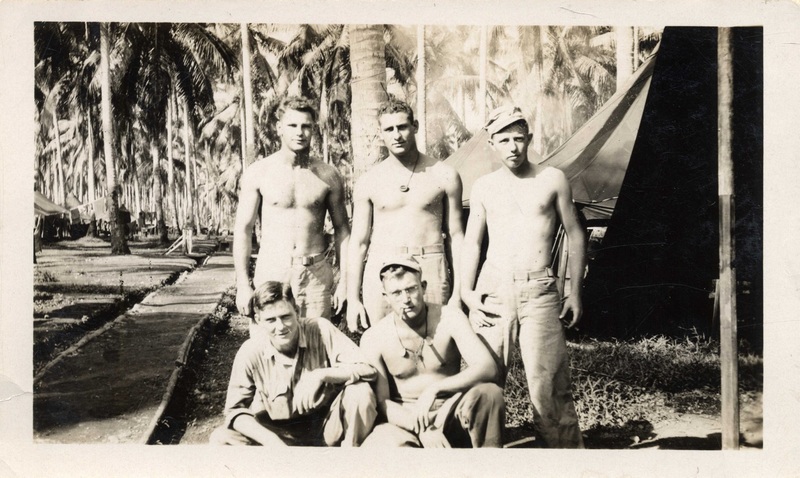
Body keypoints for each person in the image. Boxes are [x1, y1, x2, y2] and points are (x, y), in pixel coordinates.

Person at [461, 106, 586, 448]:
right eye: (504, 140)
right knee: (484, 379)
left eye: (519, 138)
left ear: (529, 139)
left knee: (549, 387)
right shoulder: (484, 187)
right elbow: (472, 242)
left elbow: (575, 234)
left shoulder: (552, 178)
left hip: (539, 290)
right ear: (492, 144)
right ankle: (486, 462)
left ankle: (563, 465)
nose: (513, 147)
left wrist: (575, 292)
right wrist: (466, 292)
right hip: (492, 291)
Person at [359, 256, 504, 448]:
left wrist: (435, 389)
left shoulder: (450, 318)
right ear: (386, 297)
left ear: (423, 287)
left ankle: (488, 468)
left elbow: (487, 368)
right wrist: (422, 427)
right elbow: (382, 402)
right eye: (396, 293)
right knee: (385, 447)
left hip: (449, 410)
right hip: (404, 420)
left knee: (489, 393)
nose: (406, 300)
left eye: (411, 289)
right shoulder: (374, 337)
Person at [210, 281, 377, 446]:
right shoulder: (250, 351)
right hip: (280, 434)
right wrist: (272, 442)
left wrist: (320, 374)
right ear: (258, 320)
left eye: (285, 317)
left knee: (360, 392)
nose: (280, 326)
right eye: (271, 320)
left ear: (297, 312)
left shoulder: (320, 329)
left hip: (327, 429)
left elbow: (367, 369)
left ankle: (348, 463)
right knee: (221, 438)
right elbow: (235, 411)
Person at [347, 99, 464, 332]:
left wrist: (459, 293)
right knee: (381, 344)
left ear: (415, 126)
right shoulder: (369, 180)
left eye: (402, 127)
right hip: (382, 269)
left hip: (429, 267)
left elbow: (456, 236)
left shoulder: (444, 175)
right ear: (380, 134)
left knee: (436, 343)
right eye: (389, 129)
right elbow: (358, 243)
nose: (396, 135)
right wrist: (353, 299)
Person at [234, 96, 350, 322]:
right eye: (293, 126)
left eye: (306, 126)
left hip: (315, 275)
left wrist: (344, 283)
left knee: (317, 345)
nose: (300, 132)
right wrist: (242, 284)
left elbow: (343, 231)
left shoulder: (328, 175)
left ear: (313, 129)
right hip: (272, 270)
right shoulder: (259, 173)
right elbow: (243, 230)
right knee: (269, 346)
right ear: (279, 128)